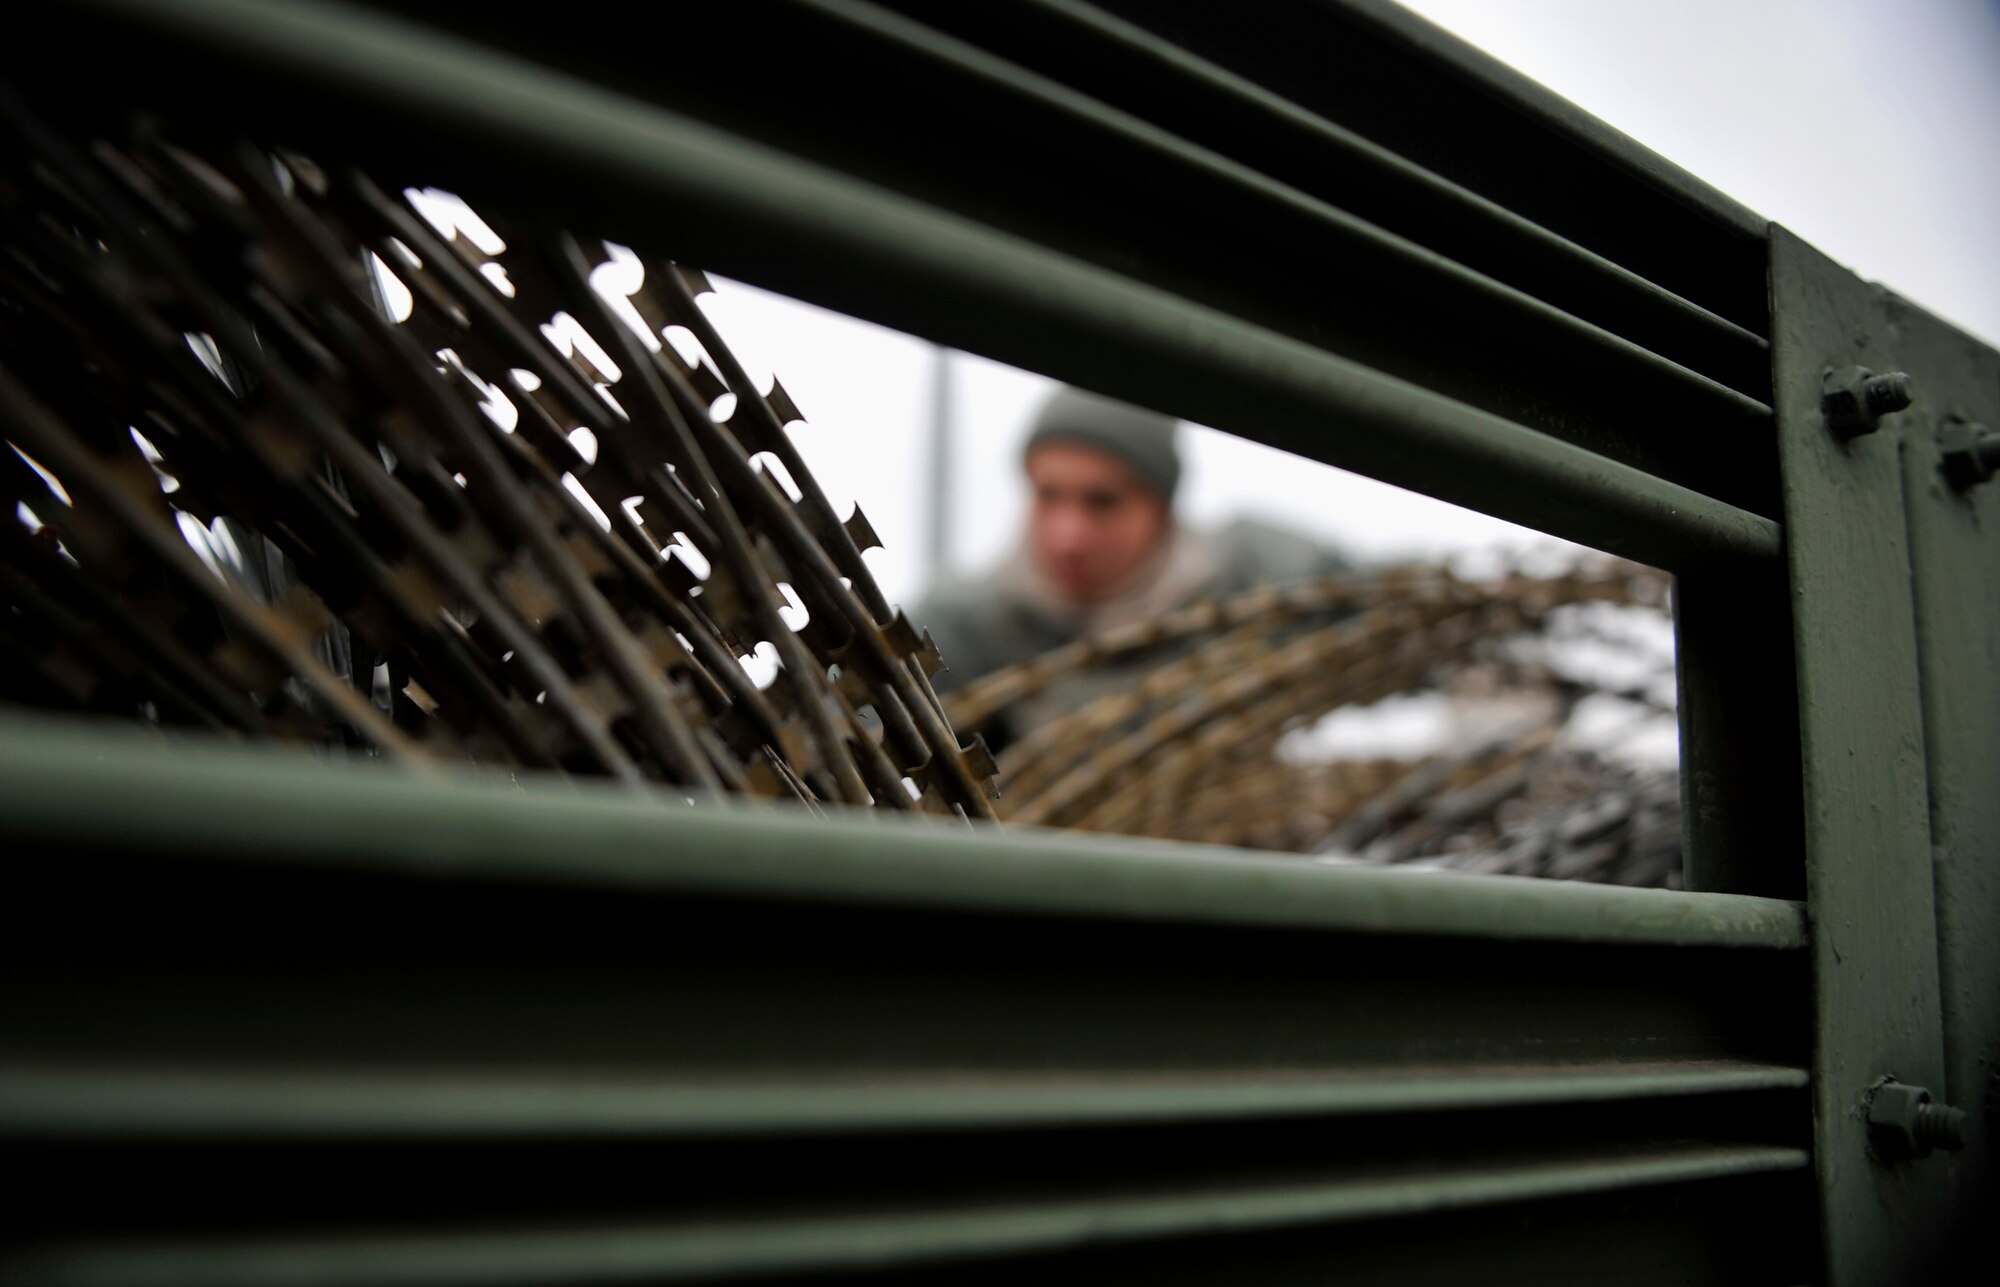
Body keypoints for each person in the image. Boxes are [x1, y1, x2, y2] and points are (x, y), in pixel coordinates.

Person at [915, 386, 1351, 741]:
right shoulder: (968, 625)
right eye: (1047, 494)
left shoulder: (1252, 581)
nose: (1067, 536)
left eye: (1102, 501)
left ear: (1161, 508)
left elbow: (1396, 610)